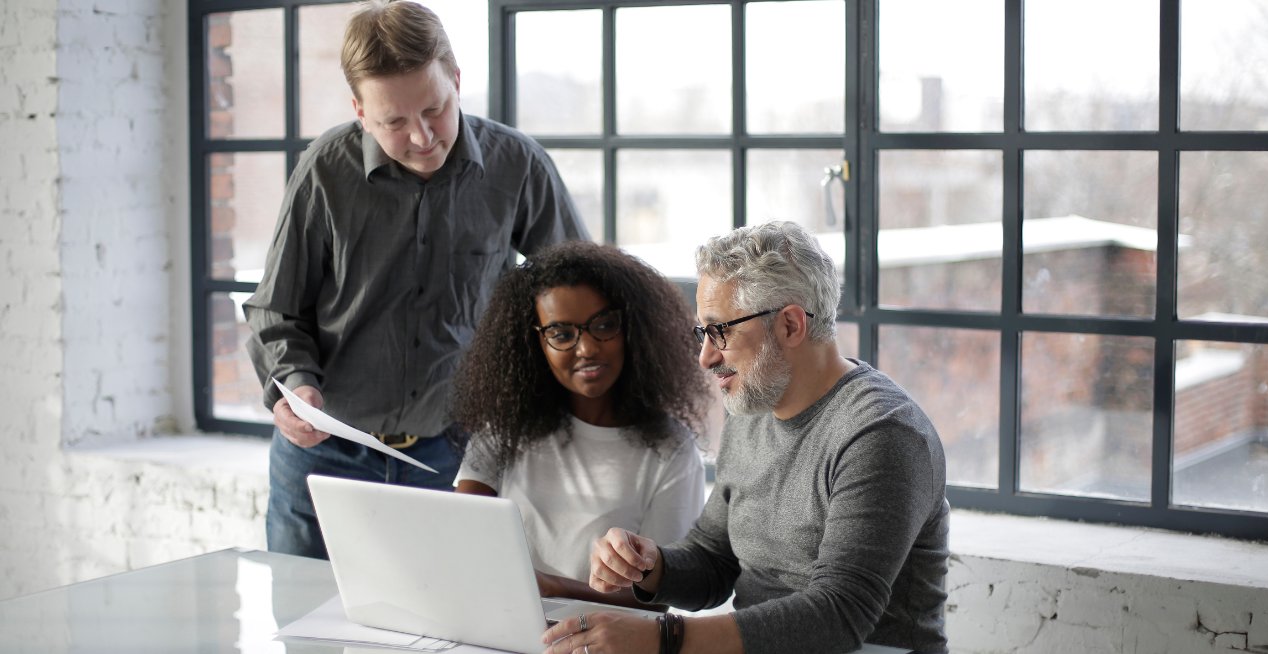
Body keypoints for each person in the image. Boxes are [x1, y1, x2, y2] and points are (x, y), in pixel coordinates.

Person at [243, 0, 588, 559]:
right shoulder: (324, 171)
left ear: (456, 79)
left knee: (445, 637)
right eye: (393, 122)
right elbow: (275, 310)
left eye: (435, 109)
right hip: (325, 459)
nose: (423, 137)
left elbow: (579, 295)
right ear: (359, 109)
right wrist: (293, 385)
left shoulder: (517, 166)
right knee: (308, 635)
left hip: (458, 457)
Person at [542, 221, 950, 654]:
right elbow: (715, 559)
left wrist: (664, 638)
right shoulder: (754, 405)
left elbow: (840, 613)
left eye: (721, 331)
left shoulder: (882, 434)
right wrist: (648, 565)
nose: (705, 357)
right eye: (703, 332)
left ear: (791, 325)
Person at [451, 240, 710, 610]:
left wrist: (551, 587)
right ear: (533, 343)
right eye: (561, 334)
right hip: (500, 629)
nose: (586, 348)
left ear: (632, 327)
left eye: (603, 325)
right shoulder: (503, 431)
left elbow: (657, 599)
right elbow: (461, 538)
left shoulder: (671, 450)